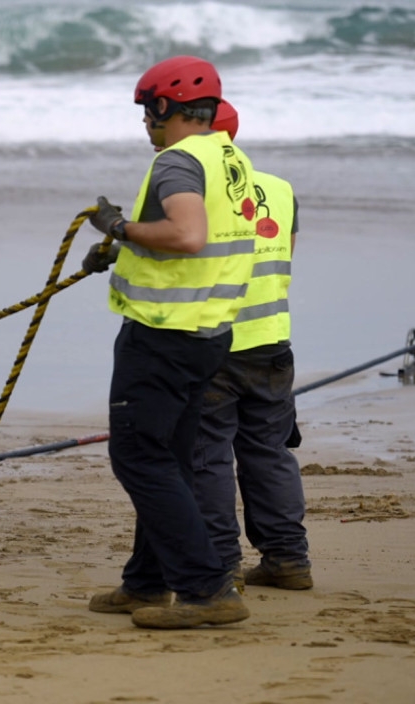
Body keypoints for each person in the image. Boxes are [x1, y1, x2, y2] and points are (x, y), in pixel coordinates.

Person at [80, 56, 259, 629]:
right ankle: (147, 584)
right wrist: (126, 247)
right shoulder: (229, 158)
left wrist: (118, 228)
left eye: (145, 111)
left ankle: (207, 591)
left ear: (163, 107)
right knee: (170, 456)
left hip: (163, 336)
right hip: (208, 333)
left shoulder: (176, 163)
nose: (144, 124)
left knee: (139, 456)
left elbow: (187, 234)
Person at [192, 102, 312, 590]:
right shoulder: (281, 190)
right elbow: (285, 256)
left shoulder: (189, 190)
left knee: (208, 456)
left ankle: (221, 566)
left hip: (214, 344)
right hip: (271, 342)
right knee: (270, 452)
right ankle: (287, 560)